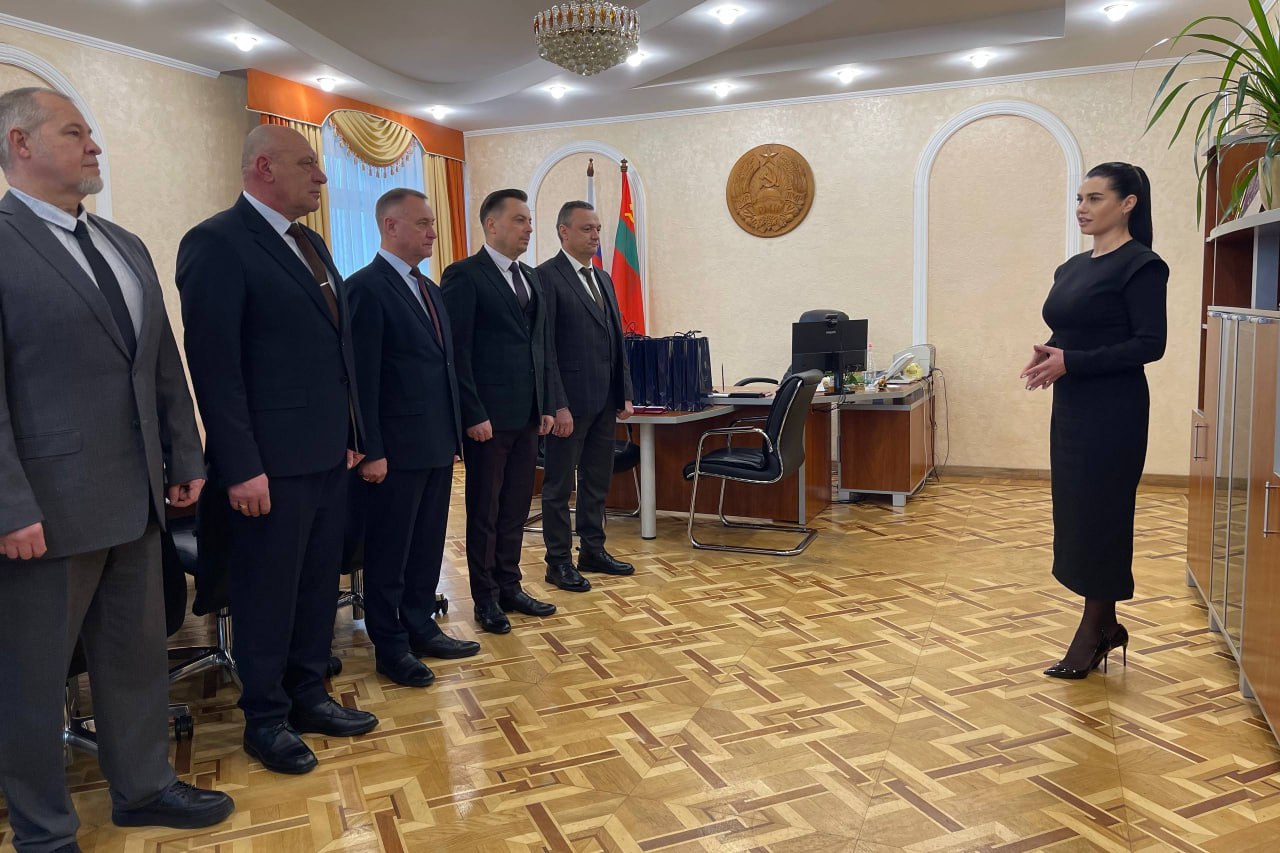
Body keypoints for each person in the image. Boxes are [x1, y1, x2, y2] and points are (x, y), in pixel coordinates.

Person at [0, 86, 233, 852]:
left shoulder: (124, 244)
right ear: (20, 144)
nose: (94, 144)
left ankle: (144, 787)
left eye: (92, 133)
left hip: (138, 499)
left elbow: (160, 361)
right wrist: (8, 505)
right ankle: (43, 829)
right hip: (45, 512)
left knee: (134, 659)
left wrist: (185, 452)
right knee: (31, 680)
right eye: (75, 132)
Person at [177, 125, 377, 775]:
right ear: (264, 168)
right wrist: (241, 466)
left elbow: (337, 353)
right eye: (307, 164)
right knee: (267, 593)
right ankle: (264, 719)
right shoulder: (217, 242)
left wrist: (352, 437)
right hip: (266, 465)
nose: (321, 177)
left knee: (317, 586)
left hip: (325, 456)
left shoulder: (311, 243)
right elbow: (216, 367)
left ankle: (309, 694)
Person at [1021, 161, 1168, 679]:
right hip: (1073, 408)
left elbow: (1150, 344)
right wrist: (1053, 350)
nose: (1082, 208)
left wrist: (1072, 361)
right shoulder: (1072, 267)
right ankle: (1105, 626)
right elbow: (1078, 328)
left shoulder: (1142, 265)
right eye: (1080, 199)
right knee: (1078, 515)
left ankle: (1094, 629)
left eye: (1095, 198)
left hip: (1113, 411)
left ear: (1127, 204)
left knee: (1103, 515)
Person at [346, 188, 480, 687]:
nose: (433, 232)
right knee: (390, 552)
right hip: (394, 451)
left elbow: (444, 365)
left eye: (433, 223)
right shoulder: (366, 288)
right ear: (390, 226)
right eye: (422, 223)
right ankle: (391, 645)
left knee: (426, 546)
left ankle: (422, 626)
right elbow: (362, 379)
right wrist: (371, 450)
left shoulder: (429, 288)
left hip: (436, 443)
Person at [441, 189, 557, 634]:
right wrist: (472, 412)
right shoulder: (465, 275)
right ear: (491, 225)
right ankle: (485, 598)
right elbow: (457, 352)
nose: (529, 228)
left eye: (529, 220)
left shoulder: (530, 276)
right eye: (519, 220)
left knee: (514, 508)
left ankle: (511, 585)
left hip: (527, 416)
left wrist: (546, 404)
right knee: (485, 512)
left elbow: (539, 347)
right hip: (487, 420)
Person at [539, 201, 635, 592]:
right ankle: (558, 562)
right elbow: (545, 349)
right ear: (563, 231)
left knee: (596, 481)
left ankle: (592, 550)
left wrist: (624, 393)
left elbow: (616, 341)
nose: (595, 235)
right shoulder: (546, 277)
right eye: (586, 229)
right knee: (559, 487)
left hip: (605, 401)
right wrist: (557, 404)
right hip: (569, 405)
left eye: (597, 228)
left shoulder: (604, 278)